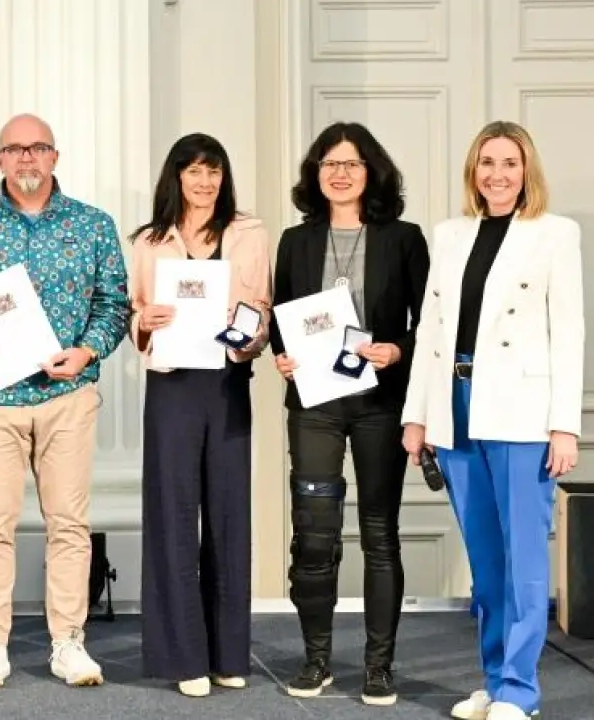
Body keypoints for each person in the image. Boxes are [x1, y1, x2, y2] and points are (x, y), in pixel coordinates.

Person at [0, 113, 130, 689]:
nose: (26, 158)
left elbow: (114, 304)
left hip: (68, 395)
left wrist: (87, 351)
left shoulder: (93, 225)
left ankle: (68, 642)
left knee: (69, 524)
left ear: (55, 156)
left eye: (38, 147)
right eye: (15, 149)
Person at [401, 122, 582, 720]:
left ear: (527, 170)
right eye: (487, 162)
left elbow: (569, 332)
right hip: (456, 404)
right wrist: (417, 416)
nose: (497, 174)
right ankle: (495, 681)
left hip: (523, 413)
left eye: (509, 163)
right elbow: (430, 330)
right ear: (472, 170)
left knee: (524, 561)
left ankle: (519, 693)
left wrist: (564, 424)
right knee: (486, 563)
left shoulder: (556, 234)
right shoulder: (450, 235)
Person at [269, 122, 429, 706]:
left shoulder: (403, 238)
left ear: (372, 172)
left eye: (352, 164)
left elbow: (428, 325)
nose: (340, 173)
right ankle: (316, 660)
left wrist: (398, 351)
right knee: (314, 537)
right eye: (329, 164)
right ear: (316, 174)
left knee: (380, 534)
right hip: (314, 405)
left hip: (379, 404)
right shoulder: (295, 240)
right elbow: (281, 318)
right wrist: (282, 356)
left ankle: (379, 667)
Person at [128, 134, 270, 697]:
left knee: (229, 515)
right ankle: (183, 656)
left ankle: (228, 654)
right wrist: (145, 321)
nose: (204, 182)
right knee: (172, 513)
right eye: (194, 171)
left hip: (227, 382)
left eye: (213, 171)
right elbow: (134, 311)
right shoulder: (148, 241)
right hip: (172, 387)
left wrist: (248, 335)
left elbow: (263, 310)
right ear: (177, 177)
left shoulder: (250, 233)